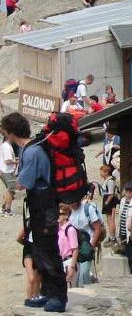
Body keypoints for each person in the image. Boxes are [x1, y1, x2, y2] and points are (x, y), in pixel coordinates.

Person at [2, 112, 67, 312]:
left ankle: (58, 296)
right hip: (41, 209)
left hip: (44, 209)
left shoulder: (31, 152)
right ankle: (48, 293)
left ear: (11, 132)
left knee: (49, 252)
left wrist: (11, 185)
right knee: (40, 251)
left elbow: (24, 183)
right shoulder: (32, 148)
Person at [68, 198, 103, 287]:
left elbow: (98, 228)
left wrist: (91, 246)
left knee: (83, 273)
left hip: (87, 245)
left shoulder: (87, 209)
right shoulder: (68, 212)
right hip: (74, 246)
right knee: (76, 274)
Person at [17, 224, 42, 305]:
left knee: (38, 277)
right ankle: (29, 299)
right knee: (31, 278)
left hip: (39, 251)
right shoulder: (29, 224)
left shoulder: (45, 223)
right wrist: (27, 244)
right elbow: (19, 238)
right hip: (29, 251)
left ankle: (36, 298)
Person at [57, 204, 78, 288]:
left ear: (66, 215)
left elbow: (75, 250)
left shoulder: (70, 229)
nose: (57, 216)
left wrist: (72, 267)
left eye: (60, 214)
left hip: (68, 262)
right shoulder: (58, 229)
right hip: (60, 263)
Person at [99, 165, 119, 245]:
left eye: (101, 172)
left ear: (106, 172)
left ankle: (113, 237)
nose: (100, 173)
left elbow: (111, 194)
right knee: (108, 220)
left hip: (109, 200)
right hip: (107, 199)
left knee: (111, 220)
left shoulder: (110, 181)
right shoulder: (107, 180)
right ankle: (111, 236)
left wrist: (107, 202)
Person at [0, 131, 19, 216]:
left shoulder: (4, 145)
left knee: (9, 190)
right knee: (11, 191)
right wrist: (17, 161)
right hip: (8, 171)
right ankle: (8, 210)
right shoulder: (7, 147)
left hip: (4, 170)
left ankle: (3, 208)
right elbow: (8, 161)